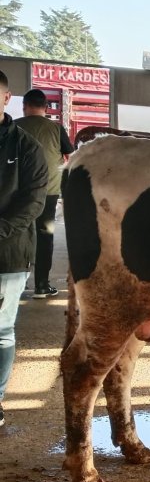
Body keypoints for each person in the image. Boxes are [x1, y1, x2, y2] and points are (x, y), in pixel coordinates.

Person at [0, 71, 50, 426]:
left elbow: (34, 200)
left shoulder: (24, 146)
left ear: (7, 99)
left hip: (9, 253)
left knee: (1, 331)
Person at [15, 89, 73, 298]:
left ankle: (14, 286)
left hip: (16, 193)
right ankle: (41, 285)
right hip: (48, 193)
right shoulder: (56, 129)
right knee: (45, 235)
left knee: (16, 235)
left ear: (24, 106)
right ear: (46, 108)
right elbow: (70, 154)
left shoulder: (14, 126)